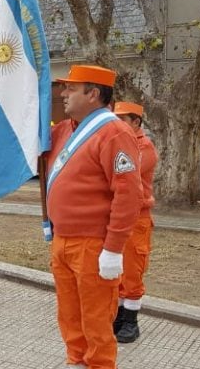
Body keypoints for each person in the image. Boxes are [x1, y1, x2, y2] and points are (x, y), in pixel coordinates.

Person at [44, 65, 143, 369]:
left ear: (93, 93)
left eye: (71, 89)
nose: (63, 94)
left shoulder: (114, 132)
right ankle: (76, 361)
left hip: (93, 245)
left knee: (97, 321)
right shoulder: (64, 129)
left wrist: (113, 248)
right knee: (70, 316)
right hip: (62, 240)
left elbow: (128, 195)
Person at [113, 101, 158, 344]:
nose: (116, 124)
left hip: (137, 217)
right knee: (117, 269)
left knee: (132, 268)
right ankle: (119, 316)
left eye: (121, 119)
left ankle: (131, 320)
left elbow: (124, 176)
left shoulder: (144, 147)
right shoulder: (119, 144)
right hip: (117, 215)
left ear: (136, 122)